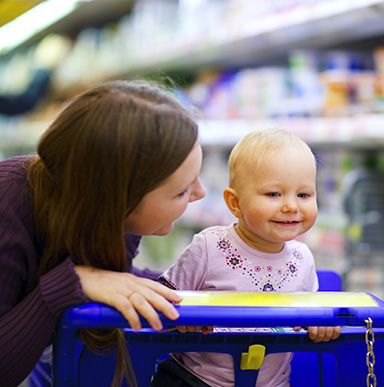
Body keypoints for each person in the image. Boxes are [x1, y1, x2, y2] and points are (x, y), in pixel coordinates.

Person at [0, 79, 206, 387]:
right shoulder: (8, 205)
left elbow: (114, 279)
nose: (200, 193)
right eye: (181, 191)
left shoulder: (108, 216)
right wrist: (71, 282)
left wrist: (189, 287)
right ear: (119, 199)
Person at [152, 128, 341, 387]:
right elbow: (161, 301)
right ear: (235, 203)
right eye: (273, 194)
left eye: (304, 195)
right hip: (194, 379)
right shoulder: (209, 247)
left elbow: (309, 316)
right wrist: (180, 319)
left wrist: (320, 325)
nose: (291, 206)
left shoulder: (303, 259)